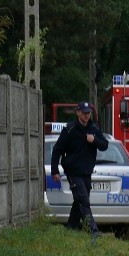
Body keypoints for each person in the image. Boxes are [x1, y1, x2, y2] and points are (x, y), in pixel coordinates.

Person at [51, 101, 108, 244]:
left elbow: (104, 145)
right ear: (77, 113)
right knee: (83, 200)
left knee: (79, 201)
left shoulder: (93, 128)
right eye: (84, 113)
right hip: (73, 171)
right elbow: (57, 150)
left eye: (88, 113)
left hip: (87, 171)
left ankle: (71, 228)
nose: (86, 116)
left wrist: (93, 140)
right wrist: (54, 170)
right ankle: (93, 230)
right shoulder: (69, 130)